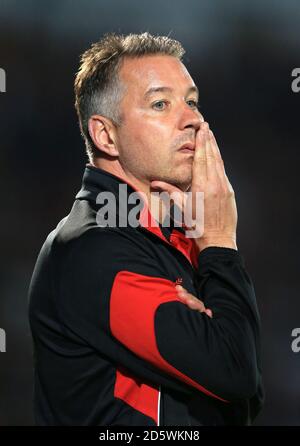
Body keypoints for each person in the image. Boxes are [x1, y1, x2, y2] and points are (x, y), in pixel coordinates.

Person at [28, 32, 264, 426]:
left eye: (192, 101)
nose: (193, 119)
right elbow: (236, 373)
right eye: (160, 104)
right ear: (105, 135)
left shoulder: (179, 236)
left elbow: (246, 397)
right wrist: (221, 244)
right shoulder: (93, 249)